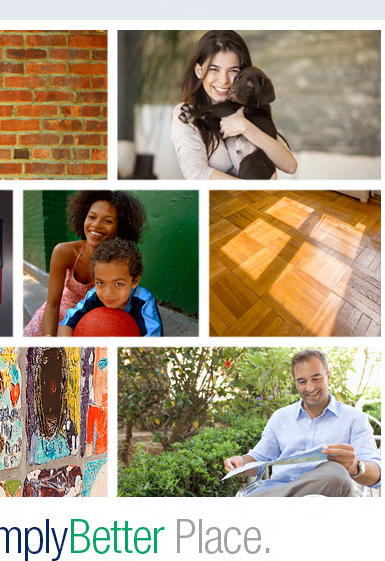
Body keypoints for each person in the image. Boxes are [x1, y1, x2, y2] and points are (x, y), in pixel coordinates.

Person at [224, 349, 381, 497]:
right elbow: (258, 459)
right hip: (278, 490)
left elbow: (378, 476)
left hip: (324, 496)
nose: (310, 387)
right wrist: (241, 463)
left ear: (328, 377)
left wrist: (355, 466)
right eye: (302, 381)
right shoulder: (280, 417)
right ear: (295, 383)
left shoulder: (355, 419)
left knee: (336, 473)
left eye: (316, 378)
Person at [171, 30, 297, 180]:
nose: (224, 80)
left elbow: (290, 165)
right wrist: (254, 189)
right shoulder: (186, 113)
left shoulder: (250, 109)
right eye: (214, 69)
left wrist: (245, 127)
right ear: (199, 71)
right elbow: (196, 175)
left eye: (233, 71)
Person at [24, 191, 146, 337]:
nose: (96, 225)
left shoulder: (122, 263)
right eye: (92, 217)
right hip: (55, 320)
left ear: (120, 228)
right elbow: (53, 303)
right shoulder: (64, 251)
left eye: (107, 221)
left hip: (90, 325)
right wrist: (48, 338)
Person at [58, 238, 163, 337]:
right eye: (100, 283)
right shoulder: (93, 295)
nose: (108, 293)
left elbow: (154, 339)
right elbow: (67, 323)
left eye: (118, 284)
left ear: (134, 281)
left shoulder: (144, 300)